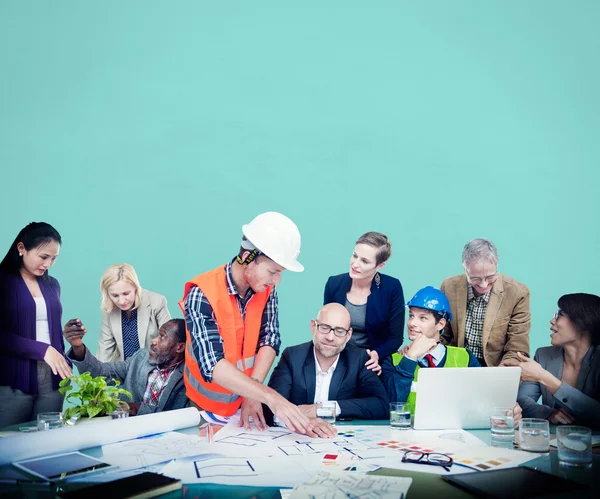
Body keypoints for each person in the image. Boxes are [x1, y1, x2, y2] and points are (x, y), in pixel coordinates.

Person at [180, 212, 312, 434]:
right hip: (202, 411)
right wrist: (270, 397)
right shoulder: (201, 294)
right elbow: (212, 365)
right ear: (247, 257)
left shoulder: (267, 290)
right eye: (273, 271)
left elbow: (270, 339)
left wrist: (254, 392)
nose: (276, 280)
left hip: (244, 406)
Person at [384, 286, 522, 425]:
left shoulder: (465, 357)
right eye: (411, 316)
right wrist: (410, 358)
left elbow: (486, 400)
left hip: (456, 439)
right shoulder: (394, 360)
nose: (412, 323)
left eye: (423, 318)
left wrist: (509, 410)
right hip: (409, 438)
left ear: (440, 324)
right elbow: (390, 408)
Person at [265, 303, 389, 432]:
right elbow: (270, 408)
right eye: (324, 328)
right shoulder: (292, 356)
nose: (330, 337)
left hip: (342, 440)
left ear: (349, 335)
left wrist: (321, 409)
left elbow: (381, 405)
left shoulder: (360, 359)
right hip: (298, 437)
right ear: (313, 326)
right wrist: (304, 422)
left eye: (339, 331)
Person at [0, 222, 72, 427]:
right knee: (8, 444)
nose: (48, 264)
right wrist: (42, 350)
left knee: (47, 442)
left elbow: (50, 328)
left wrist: (65, 349)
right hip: (14, 378)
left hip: (53, 378)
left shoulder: (52, 284)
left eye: (54, 258)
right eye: (43, 257)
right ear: (21, 248)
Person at [509, 293, 600, 428]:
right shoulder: (543, 355)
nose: (552, 320)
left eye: (560, 314)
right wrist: (548, 413)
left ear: (583, 322)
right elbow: (522, 400)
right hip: (554, 443)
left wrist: (544, 377)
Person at [63, 318, 188, 416]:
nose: (154, 341)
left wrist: (136, 408)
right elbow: (100, 372)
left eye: (162, 337)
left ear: (180, 347)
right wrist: (77, 346)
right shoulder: (140, 358)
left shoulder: (189, 376)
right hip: (124, 432)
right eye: (157, 335)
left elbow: (182, 415)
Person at [324, 232, 404, 376]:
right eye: (355, 256)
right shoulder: (334, 284)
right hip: (336, 358)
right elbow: (325, 327)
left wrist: (376, 355)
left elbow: (395, 338)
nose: (355, 264)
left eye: (365, 261)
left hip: (372, 361)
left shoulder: (392, 288)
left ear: (380, 265)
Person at [440, 238, 530, 366]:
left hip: (496, 367)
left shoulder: (517, 293)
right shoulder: (448, 287)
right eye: (475, 278)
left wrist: (500, 373)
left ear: (496, 266)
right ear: (465, 269)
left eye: (490, 277)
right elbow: (443, 335)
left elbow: (517, 347)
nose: (483, 285)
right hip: (457, 365)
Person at [97, 263, 171, 362]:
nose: (121, 301)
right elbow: (104, 352)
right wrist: (98, 375)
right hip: (123, 371)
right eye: (115, 295)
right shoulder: (109, 309)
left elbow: (170, 341)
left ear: (136, 287)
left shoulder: (157, 302)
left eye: (126, 293)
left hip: (154, 368)